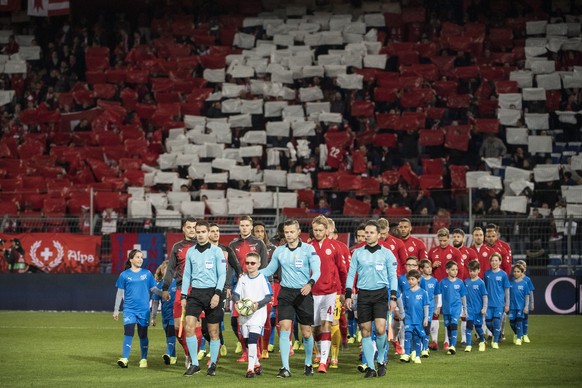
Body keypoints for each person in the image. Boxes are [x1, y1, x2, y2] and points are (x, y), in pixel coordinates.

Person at [259, 219, 321, 378]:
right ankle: (285, 367)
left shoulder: (309, 249)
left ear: (299, 232)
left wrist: (310, 283)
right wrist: (254, 274)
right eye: (286, 232)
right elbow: (270, 270)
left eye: (292, 232)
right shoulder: (279, 251)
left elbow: (317, 271)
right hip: (286, 293)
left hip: (303, 293)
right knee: (285, 329)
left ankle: (308, 362)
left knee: (306, 333)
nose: (289, 235)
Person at [345, 220, 398, 378]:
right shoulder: (358, 253)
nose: (367, 235)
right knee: (365, 331)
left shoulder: (386, 253)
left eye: (371, 233)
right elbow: (350, 275)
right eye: (366, 233)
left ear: (378, 234)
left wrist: (393, 296)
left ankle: (381, 359)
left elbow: (393, 276)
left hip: (381, 294)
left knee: (381, 329)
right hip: (364, 295)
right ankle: (370, 367)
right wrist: (348, 294)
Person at [181, 220, 227, 377]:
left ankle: (212, 364)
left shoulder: (217, 252)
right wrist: (183, 295)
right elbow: (187, 274)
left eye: (202, 232)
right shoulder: (191, 252)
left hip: (213, 292)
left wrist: (217, 294)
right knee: (189, 326)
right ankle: (194, 364)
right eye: (197, 232)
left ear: (208, 233)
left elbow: (222, 275)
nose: (200, 234)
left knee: (213, 331)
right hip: (195, 293)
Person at [309, 215, 347, 373]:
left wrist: (344, 291)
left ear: (326, 230)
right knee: (315, 328)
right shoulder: (308, 247)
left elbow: (342, 270)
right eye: (315, 230)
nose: (317, 233)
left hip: (330, 293)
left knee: (327, 324)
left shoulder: (335, 247)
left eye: (320, 230)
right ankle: (320, 353)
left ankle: (324, 361)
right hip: (312, 293)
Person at [229, 215, 269, 362]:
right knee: (237, 321)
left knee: (255, 321)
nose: (244, 228)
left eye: (247, 225)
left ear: (251, 227)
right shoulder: (233, 245)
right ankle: (246, 350)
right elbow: (231, 267)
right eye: (242, 225)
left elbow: (264, 266)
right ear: (239, 227)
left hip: (256, 286)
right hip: (240, 285)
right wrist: (229, 285)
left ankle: (256, 350)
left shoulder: (259, 243)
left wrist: (263, 283)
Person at [162, 218, 197, 367]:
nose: (192, 230)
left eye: (194, 227)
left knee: (195, 326)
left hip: (199, 289)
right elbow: (170, 269)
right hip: (181, 289)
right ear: (183, 228)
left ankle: (192, 357)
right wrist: (165, 287)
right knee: (178, 327)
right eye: (189, 227)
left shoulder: (202, 246)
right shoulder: (177, 247)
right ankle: (188, 352)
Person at [113, 249, 157, 368]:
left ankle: (143, 359)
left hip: (144, 310)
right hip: (129, 310)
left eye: (141, 257)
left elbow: (153, 289)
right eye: (137, 257)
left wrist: (163, 294)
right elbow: (119, 293)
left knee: (143, 335)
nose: (140, 259)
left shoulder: (147, 274)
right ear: (131, 259)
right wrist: (116, 310)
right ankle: (125, 358)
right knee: (128, 332)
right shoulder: (124, 275)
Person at [232, 252, 273, 378]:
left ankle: (250, 369)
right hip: (244, 315)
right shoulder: (242, 278)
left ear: (258, 264)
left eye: (253, 263)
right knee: (246, 339)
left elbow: (268, 296)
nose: (249, 265)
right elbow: (236, 293)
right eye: (247, 263)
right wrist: (237, 301)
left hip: (258, 314)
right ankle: (256, 364)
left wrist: (257, 305)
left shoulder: (262, 278)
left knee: (252, 339)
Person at [208, 223, 243, 358]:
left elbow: (237, 268)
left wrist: (229, 286)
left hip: (222, 289)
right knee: (206, 322)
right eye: (213, 231)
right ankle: (218, 343)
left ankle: (218, 345)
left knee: (218, 318)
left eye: (217, 231)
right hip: (206, 288)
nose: (216, 233)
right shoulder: (204, 250)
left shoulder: (226, 250)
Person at [252, 221, 278, 356]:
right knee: (252, 317)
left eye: (262, 231)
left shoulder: (272, 249)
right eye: (257, 231)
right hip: (251, 285)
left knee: (267, 317)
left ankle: (265, 348)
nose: (260, 234)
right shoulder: (250, 248)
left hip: (268, 283)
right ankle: (254, 349)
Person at [397, 269, 429, 364]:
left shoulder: (423, 292)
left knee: (417, 337)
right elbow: (402, 305)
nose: (410, 281)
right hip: (408, 318)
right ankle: (407, 353)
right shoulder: (406, 292)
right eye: (409, 279)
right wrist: (401, 314)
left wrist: (426, 317)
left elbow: (426, 305)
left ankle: (417, 355)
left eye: (412, 279)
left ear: (418, 279)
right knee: (407, 334)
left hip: (418, 319)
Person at [151, 260, 177, 365]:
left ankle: (167, 353)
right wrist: (153, 317)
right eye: (166, 269)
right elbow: (155, 302)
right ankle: (173, 356)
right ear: (162, 271)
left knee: (171, 333)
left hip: (174, 315)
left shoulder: (178, 283)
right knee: (168, 336)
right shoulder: (160, 285)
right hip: (165, 315)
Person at [439, 260, 467, 355]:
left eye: (456, 270)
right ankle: (451, 344)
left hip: (456, 307)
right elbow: (439, 296)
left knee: (454, 324)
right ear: (447, 270)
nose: (455, 271)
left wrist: (465, 309)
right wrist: (438, 307)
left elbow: (463, 296)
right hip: (446, 308)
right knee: (448, 326)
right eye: (453, 270)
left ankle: (453, 346)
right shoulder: (442, 283)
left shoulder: (460, 282)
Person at [483, 253, 510, 349]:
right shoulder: (486, 274)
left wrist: (507, 304)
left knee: (497, 321)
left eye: (496, 260)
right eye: (492, 261)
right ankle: (497, 334)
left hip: (499, 303)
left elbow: (507, 290)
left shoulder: (503, 274)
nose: (494, 262)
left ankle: (495, 341)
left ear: (500, 262)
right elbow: (484, 289)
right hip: (488, 304)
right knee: (488, 322)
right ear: (490, 262)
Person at [464, 260, 488, 352]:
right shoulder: (466, 282)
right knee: (469, 326)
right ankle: (468, 345)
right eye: (470, 271)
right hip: (469, 309)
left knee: (478, 327)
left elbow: (485, 296)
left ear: (479, 270)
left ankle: (482, 341)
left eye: (474, 271)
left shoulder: (481, 283)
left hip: (478, 310)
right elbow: (463, 296)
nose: (472, 273)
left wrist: (484, 308)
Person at [419, 259, 441, 354]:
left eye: (430, 267)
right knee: (419, 326)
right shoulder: (418, 280)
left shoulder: (434, 280)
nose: (429, 269)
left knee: (427, 327)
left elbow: (437, 295)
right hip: (419, 307)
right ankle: (419, 345)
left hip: (430, 307)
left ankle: (425, 347)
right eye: (427, 267)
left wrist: (437, 307)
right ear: (421, 269)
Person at [509, 263, 531, 346]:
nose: (516, 273)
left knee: (519, 322)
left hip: (520, 307)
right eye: (514, 271)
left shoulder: (524, 283)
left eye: (518, 271)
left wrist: (526, 306)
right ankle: (517, 333)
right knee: (511, 323)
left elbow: (527, 296)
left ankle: (519, 337)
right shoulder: (510, 282)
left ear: (522, 273)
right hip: (512, 307)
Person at [515, 259, 534, 343]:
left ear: (524, 269)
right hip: (516, 304)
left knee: (525, 318)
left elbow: (530, 292)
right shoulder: (513, 280)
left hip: (525, 303)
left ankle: (525, 334)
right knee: (516, 319)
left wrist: (532, 303)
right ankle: (518, 334)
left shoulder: (527, 279)